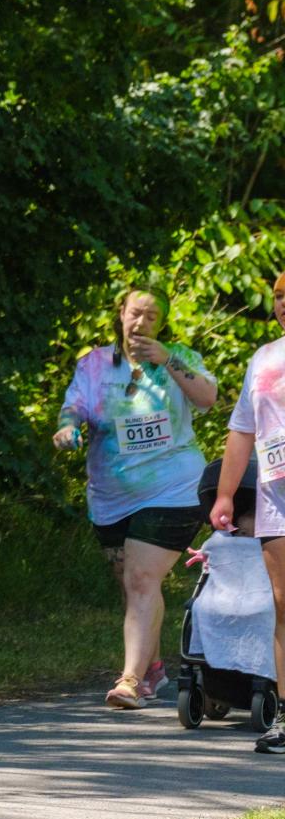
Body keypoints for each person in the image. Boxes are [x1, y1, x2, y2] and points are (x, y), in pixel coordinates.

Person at [54, 285, 216, 709]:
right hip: (111, 495)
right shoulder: (94, 364)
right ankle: (155, 668)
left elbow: (207, 399)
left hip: (174, 487)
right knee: (132, 587)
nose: (141, 323)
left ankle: (130, 680)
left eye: (152, 317)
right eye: (135, 313)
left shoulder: (179, 356)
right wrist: (68, 427)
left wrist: (168, 359)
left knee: (142, 579)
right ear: (120, 315)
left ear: (162, 323)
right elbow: (74, 407)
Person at [210, 271, 285, 752]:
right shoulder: (264, 359)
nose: (284, 304)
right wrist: (224, 494)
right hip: (277, 501)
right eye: (279, 297)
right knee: (284, 606)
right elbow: (241, 430)